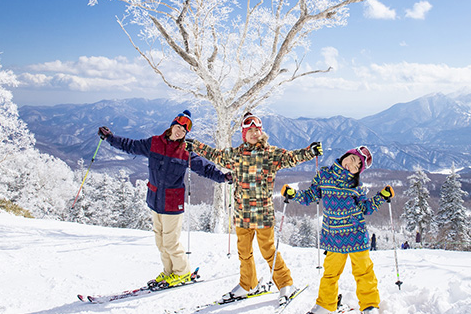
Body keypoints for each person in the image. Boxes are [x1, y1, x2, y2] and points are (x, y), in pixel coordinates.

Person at [184, 112, 323, 304]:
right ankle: (247, 285)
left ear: (261, 132)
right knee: (244, 252)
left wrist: (310, 151)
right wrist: (196, 146)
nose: (254, 134)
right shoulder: (235, 155)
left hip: (263, 214)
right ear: (243, 134)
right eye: (249, 131)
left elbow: (292, 157)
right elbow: (215, 155)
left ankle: (285, 284)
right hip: (242, 214)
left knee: (269, 251)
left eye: (256, 130)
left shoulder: (271, 154)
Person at [97, 110, 230, 287]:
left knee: (170, 241)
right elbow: (130, 145)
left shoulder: (185, 151)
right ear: (171, 126)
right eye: (178, 128)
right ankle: (169, 272)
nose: (180, 132)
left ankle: (182, 272)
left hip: (172, 204)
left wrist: (223, 177)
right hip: (154, 200)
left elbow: (205, 169)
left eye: (184, 131)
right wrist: (110, 138)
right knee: (160, 242)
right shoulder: (154, 143)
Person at [281, 146, 394, 314]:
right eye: (352, 159)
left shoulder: (357, 185)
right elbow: (310, 196)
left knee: (364, 272)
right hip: (333, 236)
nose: (352, 165)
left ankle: (369, 305)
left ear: (358, 172)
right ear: (345, 155)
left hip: (356, 234)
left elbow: (365, 208)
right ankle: (325, 305)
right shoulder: (324, 176)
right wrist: (293, 193)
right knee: (330, 273)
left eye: (357, 166)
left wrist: (381, 197)